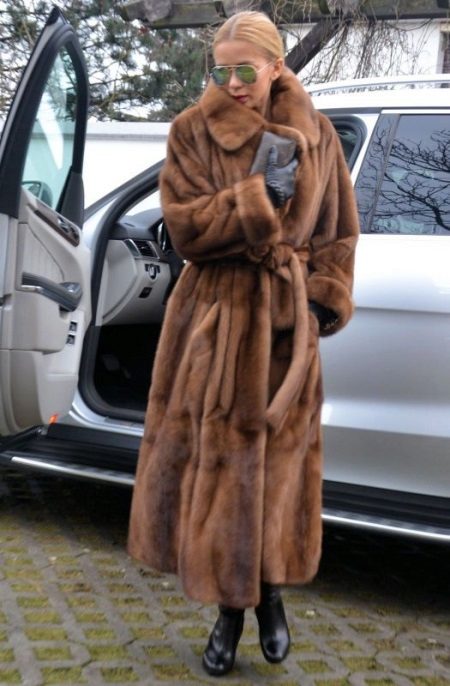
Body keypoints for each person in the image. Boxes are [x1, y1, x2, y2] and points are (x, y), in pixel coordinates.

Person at [128, 10, 359, 677]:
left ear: (276, 67)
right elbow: (184, 229)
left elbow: (339, 233)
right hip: (216, 320)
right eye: (220, 71)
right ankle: (233, 611)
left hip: (286, 326)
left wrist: (320, 303)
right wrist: (256, 199)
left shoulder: (317, 135)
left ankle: (271, 595)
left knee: (280, 473)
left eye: (245, 71)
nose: (232, 83)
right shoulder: (191, 131)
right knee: (224, 469)